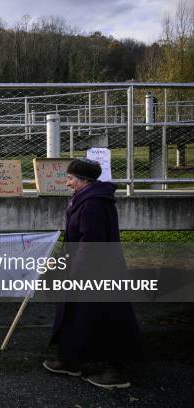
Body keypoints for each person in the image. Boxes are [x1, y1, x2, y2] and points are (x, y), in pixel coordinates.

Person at [43, 158, 141, 389]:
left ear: (84, 180)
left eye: (70, 179)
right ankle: (71, 360)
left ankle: (116, 371)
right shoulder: (86, 199)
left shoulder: (93, 204)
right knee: (76, 315)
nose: (67, 183)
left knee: (106, 318)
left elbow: (92, 242)